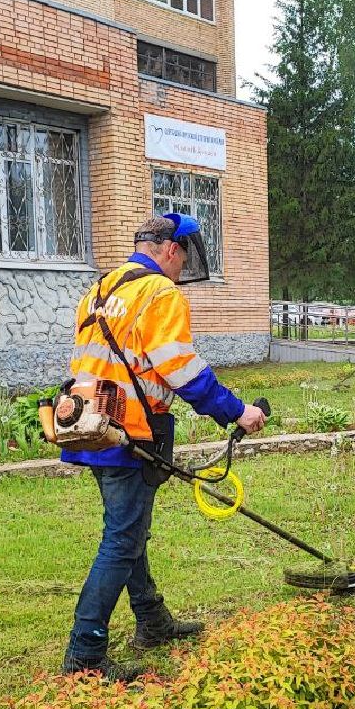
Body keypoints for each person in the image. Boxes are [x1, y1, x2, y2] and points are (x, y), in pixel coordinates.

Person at [60, 215, 267, 680]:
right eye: (184, 258)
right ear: (171, 249)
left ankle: (152, 621)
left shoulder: (101, 289)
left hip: (91, 424)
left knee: (128, 529)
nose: (184, 269)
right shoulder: (159, 293)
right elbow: (180, 368)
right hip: (130, 431)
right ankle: (85, 654)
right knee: (122, 538)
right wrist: (237, 412)